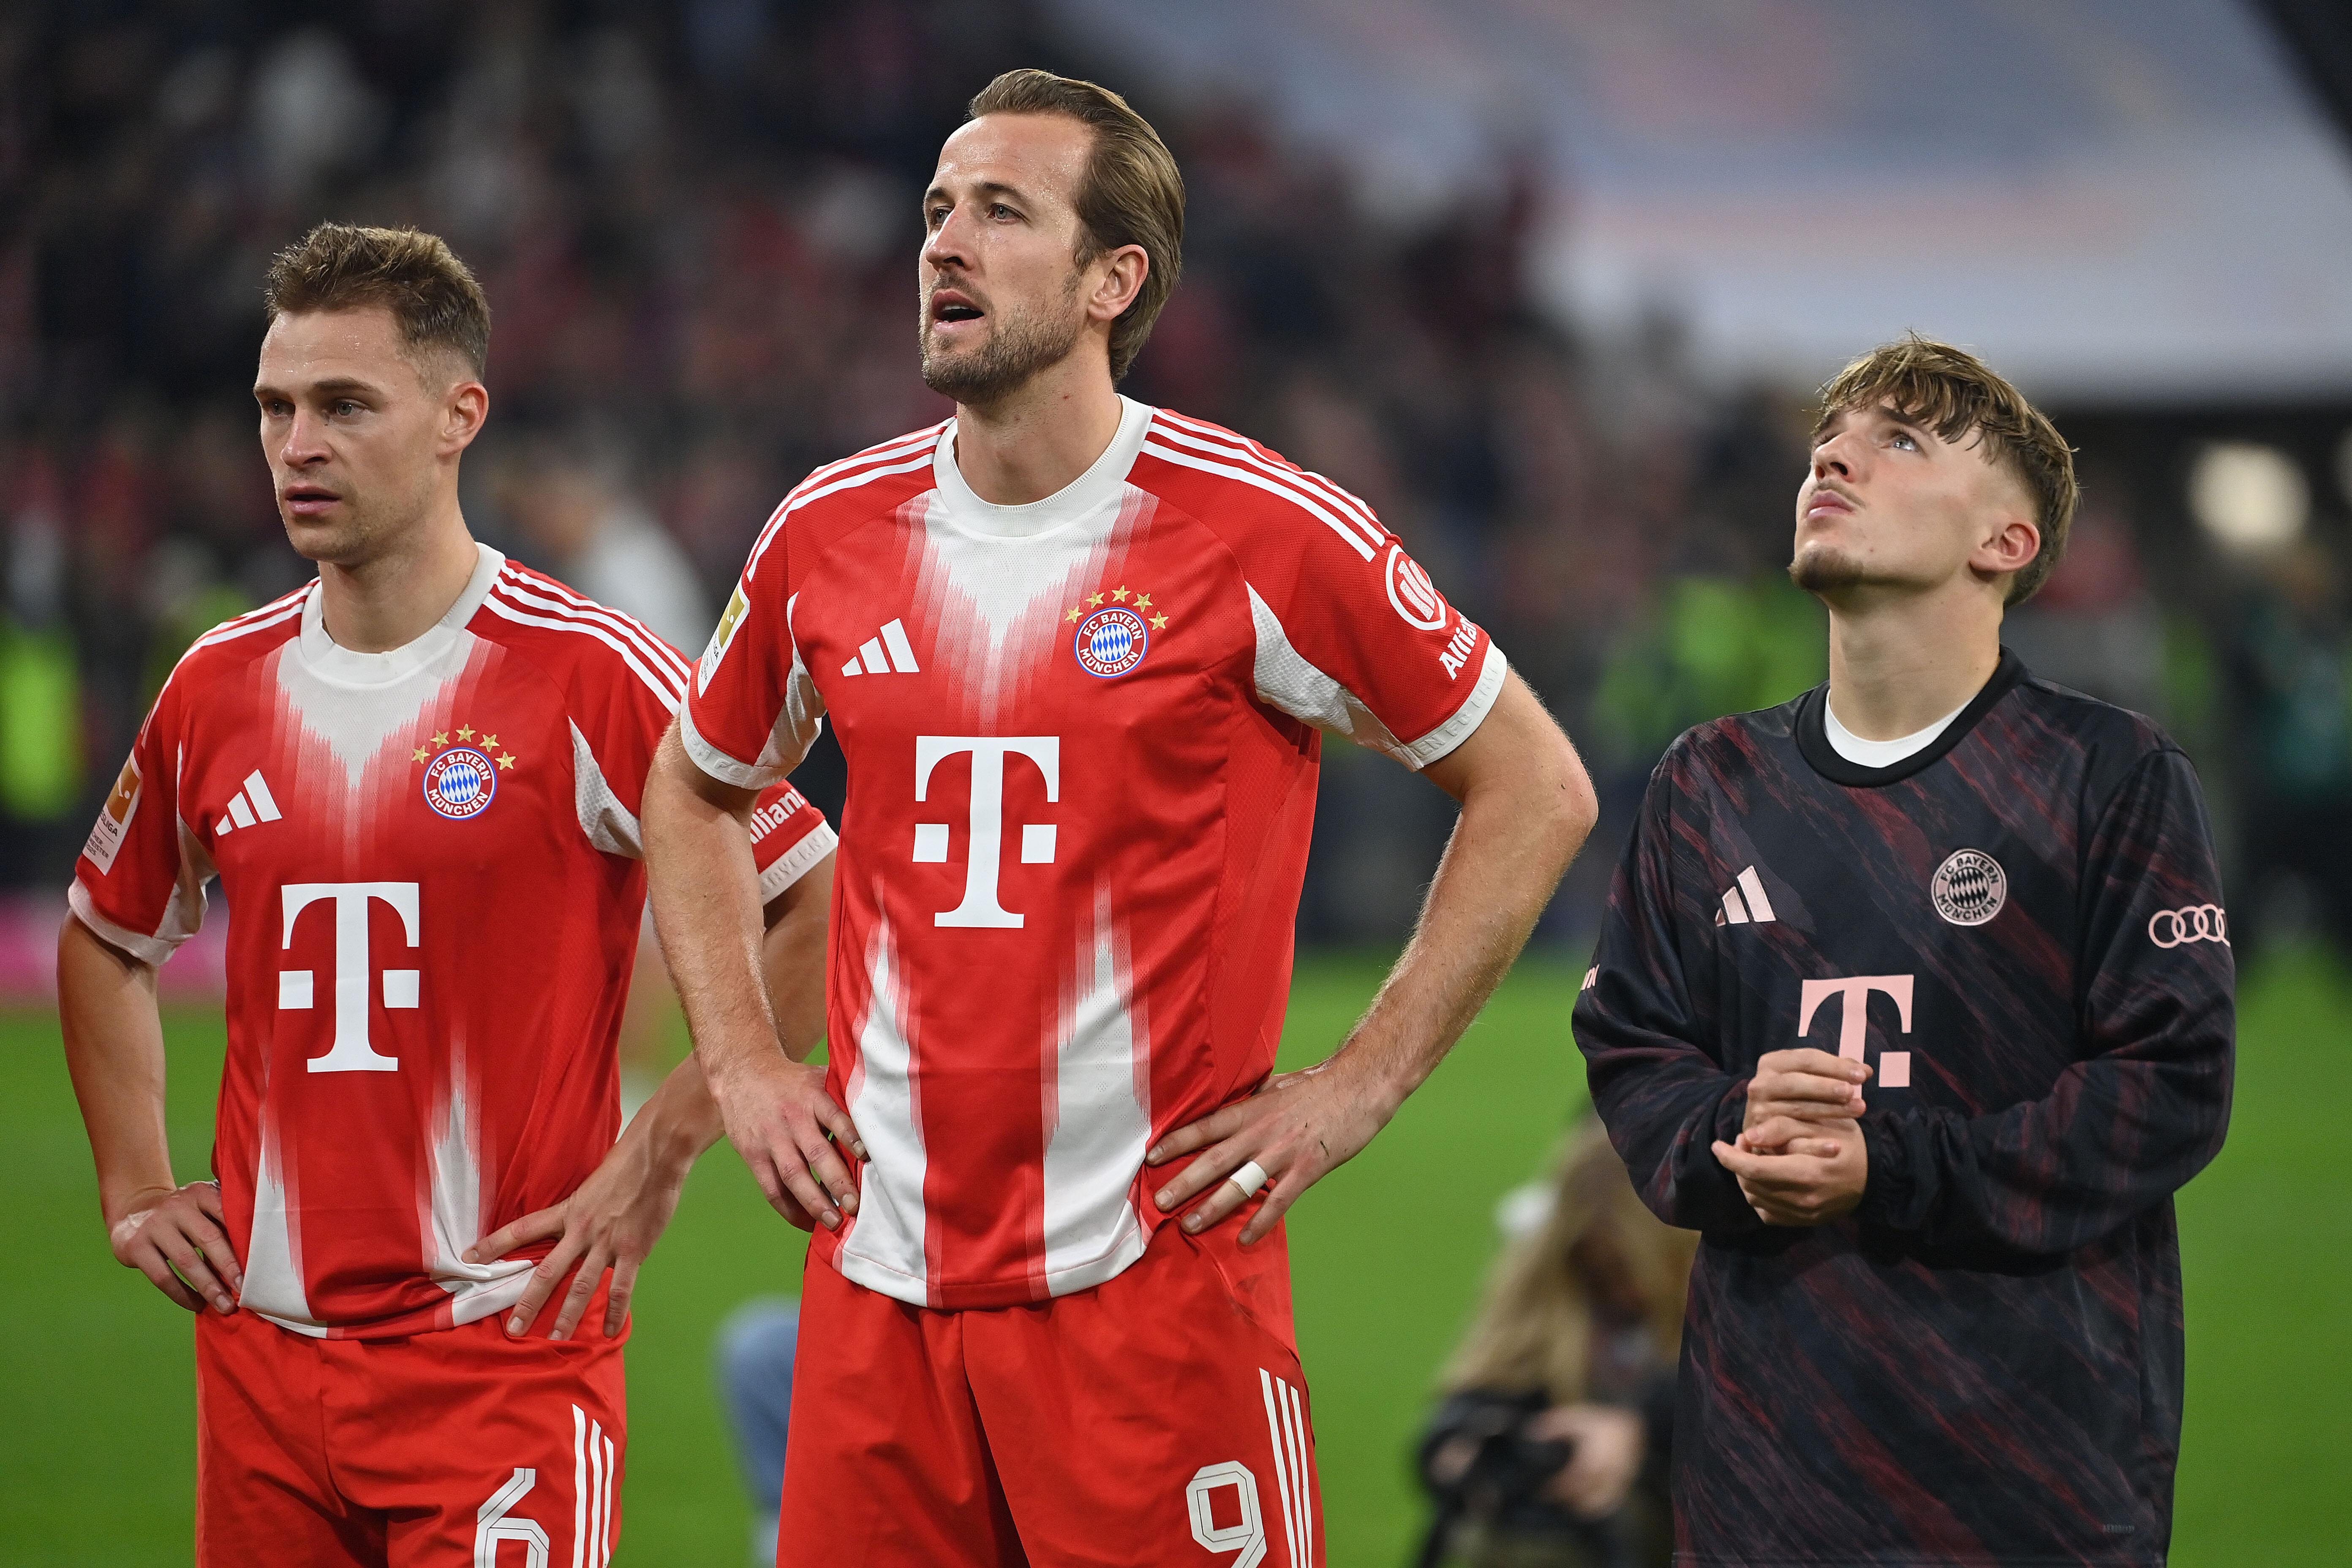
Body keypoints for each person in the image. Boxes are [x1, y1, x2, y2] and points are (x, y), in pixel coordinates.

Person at [640, 68, 1598, 1567]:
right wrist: (747, 1068)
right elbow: (691, 785)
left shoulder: (1261, 528)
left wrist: (1353, 1087)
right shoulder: (825, 529)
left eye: (1000, 212)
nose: (943, 243)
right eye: (936, 209)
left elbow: (1533, 784)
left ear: (1111, 280)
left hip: (1150, 1294)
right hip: (877, 1294)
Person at [55, 222, 834, 1567]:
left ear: (456, 416)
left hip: (503, 1357)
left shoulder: (593, 673)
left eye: (345, 405)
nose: (298, 443)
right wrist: (133, 1185)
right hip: (258, 1371)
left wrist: (662, 1147)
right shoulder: (215, 687)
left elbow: (816, 894)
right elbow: (105, 935)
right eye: (275, 408)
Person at [1573, 335, 2235, 1566]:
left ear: (2004, 542)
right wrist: (1733, 1121)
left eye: (1900, 440)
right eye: (1829, 438)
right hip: (1760, 1480)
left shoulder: (2106, 776)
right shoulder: (1703, 784)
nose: (1833, 454)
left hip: (2033, 1481)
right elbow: (1630, 1045)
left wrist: (1890, 1165)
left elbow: (2169, 1086)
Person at [1416, 1116, 1693, 1568]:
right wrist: (1478, 1446)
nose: (1624, 1291)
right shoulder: (1548, 1293)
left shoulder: (1731, 1297)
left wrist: (1638, 1433)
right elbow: (1474, 1395)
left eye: (1631, 1268)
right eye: (1602, 1270)